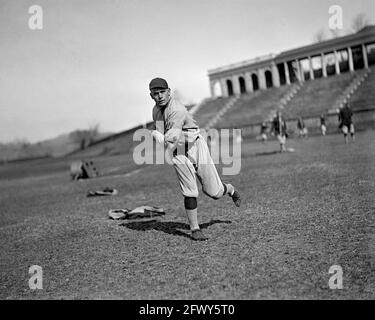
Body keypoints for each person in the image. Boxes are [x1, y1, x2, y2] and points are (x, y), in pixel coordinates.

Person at [148, 77, 241, 241]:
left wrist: (156, 135)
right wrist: (158, 133)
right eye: (156, 93)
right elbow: (168, 139)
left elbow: (169, 140)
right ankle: (195, 229)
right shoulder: (156, 111)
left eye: (163, 92)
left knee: (214, 192)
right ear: (151, 96)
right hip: (179, 152)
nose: (160, 96)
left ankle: (230, 189)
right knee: (189, 191)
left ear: (169, 92)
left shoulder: (177, 110)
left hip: (195, 146)